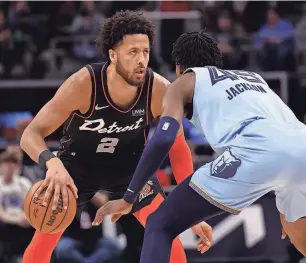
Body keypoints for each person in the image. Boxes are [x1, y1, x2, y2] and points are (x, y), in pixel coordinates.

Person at [93, 30, 306, 263]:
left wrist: (129, 197)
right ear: (217, 61)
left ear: (179, 67)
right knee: (297, 232)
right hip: (300, 145)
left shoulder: (184, 82)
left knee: (159, 224)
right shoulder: (253, 78)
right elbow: (282, 143)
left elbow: (164, 139)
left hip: (257, 152)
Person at [20, 11, 209, 263]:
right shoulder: (84, 84)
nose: (142, 60)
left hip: (129, 168)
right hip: (76, 167)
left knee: (169, 238)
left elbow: (178, 149)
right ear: (112, 54)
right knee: (45, 237)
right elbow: (30, 134)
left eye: (146, 51)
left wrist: (189, 209)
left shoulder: (160, 90)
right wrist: (52, 163)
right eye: (133, 52)